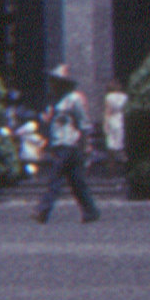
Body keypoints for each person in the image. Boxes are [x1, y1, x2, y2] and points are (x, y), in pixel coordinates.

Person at [33, 72, 100, 224]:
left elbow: (83, 123)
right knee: (76, 182)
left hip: (69, 145)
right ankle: (91, 211)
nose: (52, 85)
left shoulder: (73, 99)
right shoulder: (55, 101)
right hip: (59, 144)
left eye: (56, 82)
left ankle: (43, 210)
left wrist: (85, 144)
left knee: (55, 178)